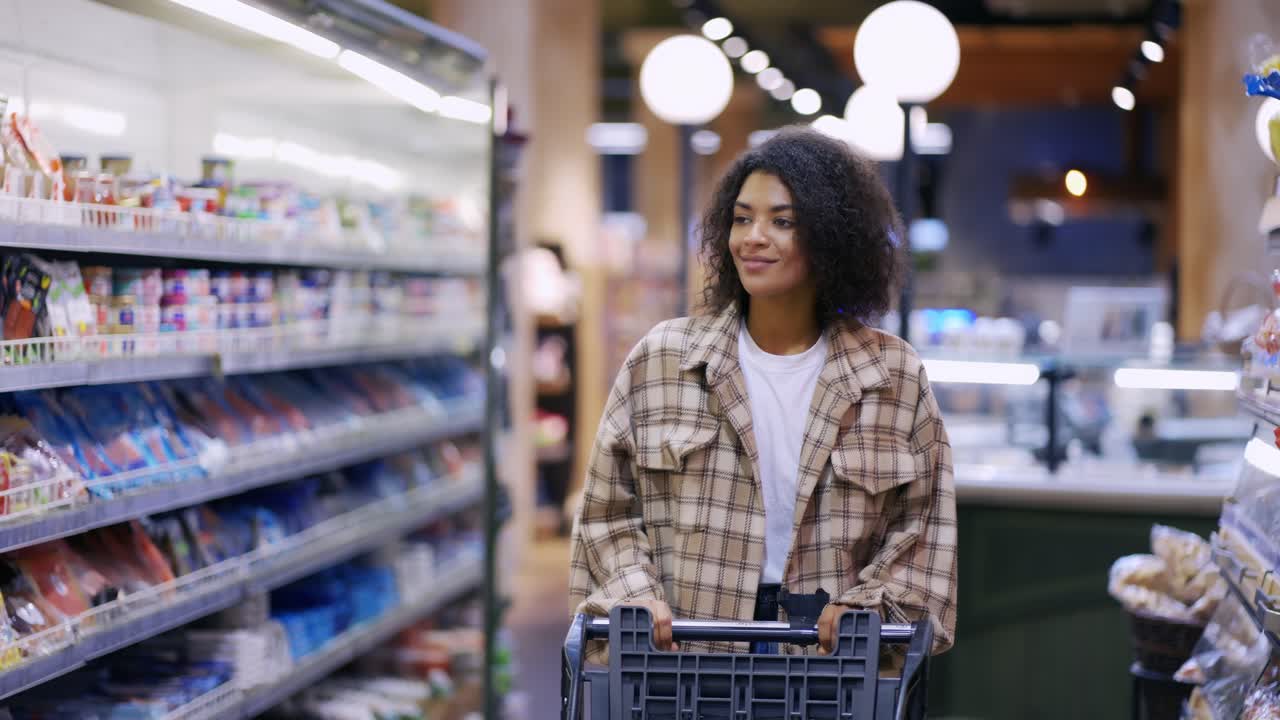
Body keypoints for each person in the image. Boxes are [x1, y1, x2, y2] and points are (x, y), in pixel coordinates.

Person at [568, 126, 956, 657]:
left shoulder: (891, 374)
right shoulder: (664, 361)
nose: (753, 237)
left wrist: (869, 607)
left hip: (830, 664)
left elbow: (926, 526)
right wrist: (634, 597)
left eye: (782, 221)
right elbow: (606, 511)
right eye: (742, 218)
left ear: (830, 237)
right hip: (687, 651)